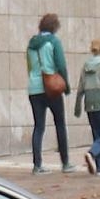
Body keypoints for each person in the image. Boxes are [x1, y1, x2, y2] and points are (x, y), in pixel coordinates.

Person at [24, 13, 70, 172]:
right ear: (54, 27)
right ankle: (65, 163)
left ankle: (37, 165)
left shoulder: (31, 44)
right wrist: (66, 85)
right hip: (52, 87)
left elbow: (29, 66)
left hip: (34, 87)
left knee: (39, 126)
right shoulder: (54, 42)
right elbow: (61, 65)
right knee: (60, 124)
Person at [73, 38, 100, 174]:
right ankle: (92, 153)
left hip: (89, 102)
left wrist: (78, 105)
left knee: (97, 134)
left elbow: (80, 87)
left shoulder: (85, 66)